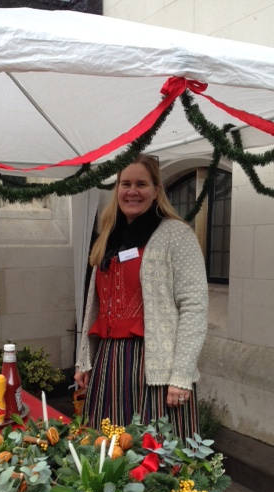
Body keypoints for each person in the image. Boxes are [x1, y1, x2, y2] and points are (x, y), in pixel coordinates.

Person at [74, 154, 208, 445]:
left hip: (153, 365)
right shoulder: (109, 234)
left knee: (155, 454)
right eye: (126, 183)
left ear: (156, 190)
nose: (132, 191)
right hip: (109, 362)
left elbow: (194, 307)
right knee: (106, 451)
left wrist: (182, 376)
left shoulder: (176, 235)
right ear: (117, 189)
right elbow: (94, 305)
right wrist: (85, 358)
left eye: (141, 184)